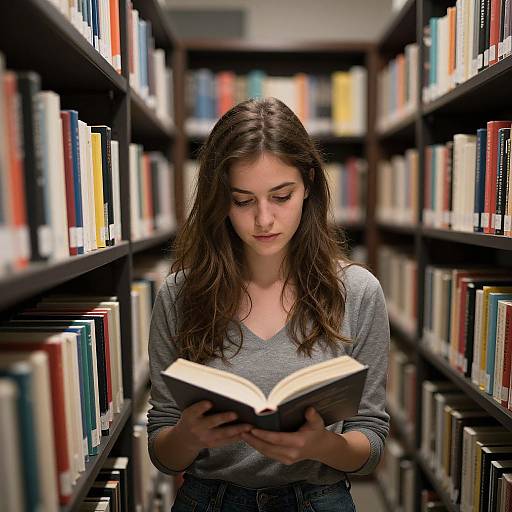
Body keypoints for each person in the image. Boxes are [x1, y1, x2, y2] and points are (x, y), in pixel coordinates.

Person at [147, 97, 390, 512]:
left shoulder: (358, 291)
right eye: (242, 201)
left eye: (281, 196)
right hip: (208, 499)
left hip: (319, 498)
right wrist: (187, 437)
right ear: (219, 199)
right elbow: (162, 450)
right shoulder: (179, 294)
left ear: (309, 184)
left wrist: (323, 446)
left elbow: (371, 440)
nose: (264, 220)